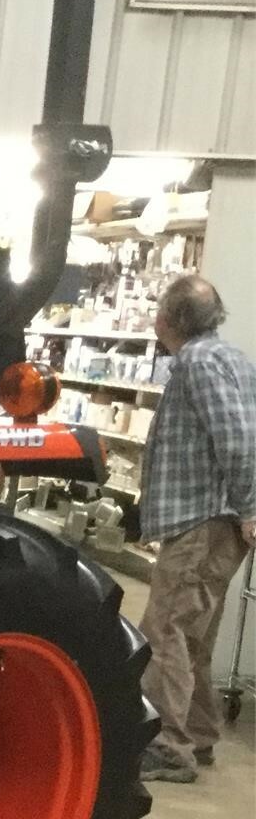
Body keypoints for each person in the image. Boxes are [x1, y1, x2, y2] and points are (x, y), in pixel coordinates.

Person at [136, 274, 256, 783]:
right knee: (194, 637)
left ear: (168, 320)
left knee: (166, 633)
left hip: (201, 521)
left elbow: (237, 440)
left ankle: (167, 746)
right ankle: (200, 735)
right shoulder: (231, 358)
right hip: (216, 521)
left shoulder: (197, 363)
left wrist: (250, 505)